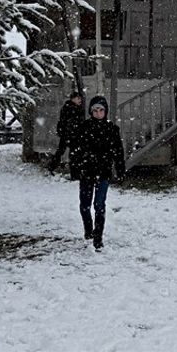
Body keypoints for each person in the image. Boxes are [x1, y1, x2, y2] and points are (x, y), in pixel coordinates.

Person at [70, 95, 125, 250]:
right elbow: (75, 150)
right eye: (95, 110)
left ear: (105, 111)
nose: (98, 113)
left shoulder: (112, 129)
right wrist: (75, 169)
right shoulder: (84, 128)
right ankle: (88, 229)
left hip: (103, 172)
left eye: (101, 110)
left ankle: (98, 236)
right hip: (86, 171)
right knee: (85, 205)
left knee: (99, 205)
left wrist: (120, 170)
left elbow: (118, 152)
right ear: (91, 111)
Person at [47, 91, 86, 173]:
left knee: (63, 151)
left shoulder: (72, 107)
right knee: (72, 153)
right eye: (78, 98)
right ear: (73, 99)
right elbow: (67, 122)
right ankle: (74, 172)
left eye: (80, 98)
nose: (80, 100)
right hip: (70, 134)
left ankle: (52, 166)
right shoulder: (71, 108)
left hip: (69, 134)